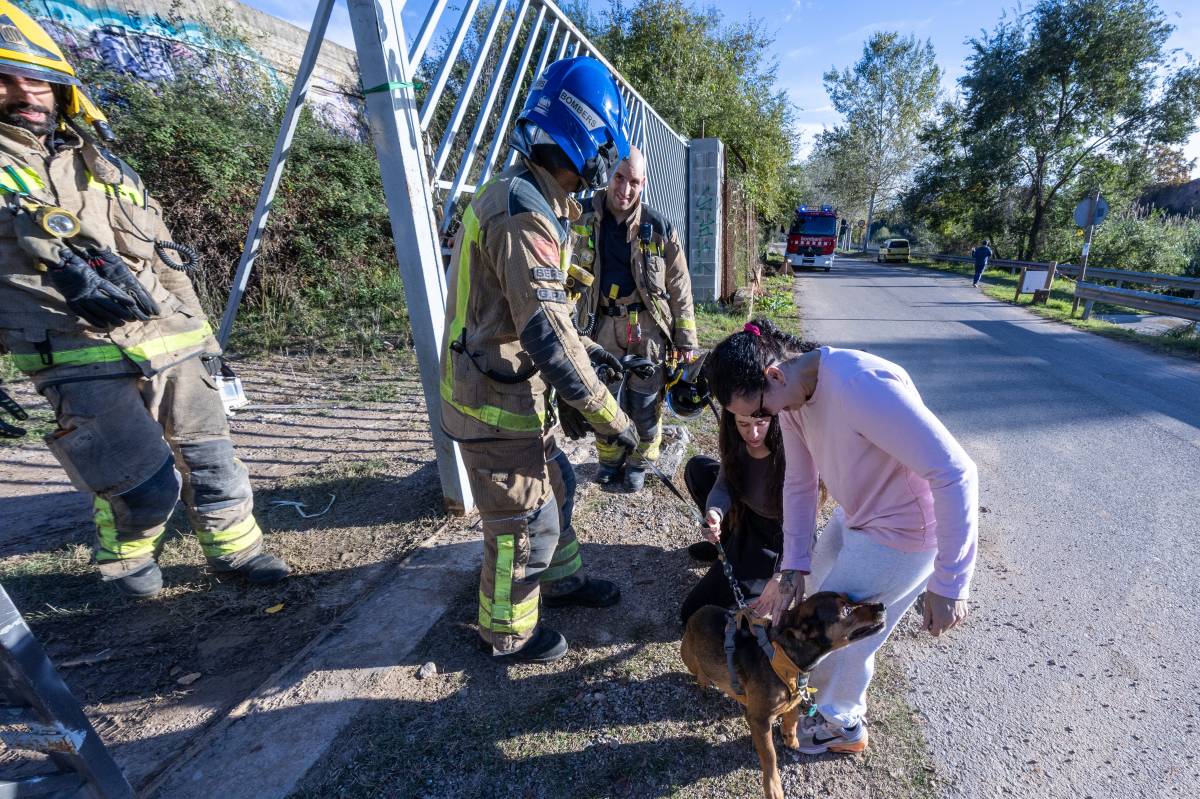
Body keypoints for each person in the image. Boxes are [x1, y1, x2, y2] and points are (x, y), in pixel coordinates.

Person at [0, 1, 289, 598]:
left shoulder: (104, 164)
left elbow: (164, 259)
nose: (23, 92)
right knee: (140, 486)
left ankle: (238, 554)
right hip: (73, 355)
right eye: (4, 78)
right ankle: (127, 564)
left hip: (172, 339)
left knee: (214, 464)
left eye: (35, 78)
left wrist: (208, 341)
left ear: (60, 88)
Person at [439, 56, 640, 664]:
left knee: (558, 481)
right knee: (521, 526)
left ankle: (561, 580)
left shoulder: (534, 197)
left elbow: (543, 313)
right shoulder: (523, 215)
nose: (609, 165)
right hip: (494, 405)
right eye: (606, 146)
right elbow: (547, 334)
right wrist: (613, 419)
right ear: (586, 138)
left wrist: (594, 356)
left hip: (513, 391)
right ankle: (507, 632)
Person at [705, 319, 978, 755]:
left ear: (774, 375)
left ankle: (841, 722)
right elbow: (798, 480)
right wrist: (793, 565)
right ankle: (805, 689)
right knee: (812, 596)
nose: (762, 424)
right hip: (857, 515)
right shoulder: (791, 396)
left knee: (843, 634)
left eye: (758, 412)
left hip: (903, 530)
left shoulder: (861, 386)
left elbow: (955, 471)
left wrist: (950, 582)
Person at [570, 146, 698, 492]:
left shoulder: (659, 227)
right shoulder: (578, 216)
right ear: (609, 175)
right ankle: (610, 462)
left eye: (635, 182)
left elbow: (679, 285)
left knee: (644, 403)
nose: (625, 190)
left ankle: (641, 462)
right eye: (620, 178)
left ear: (644, 185)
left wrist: (686, 340)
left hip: (647, 328)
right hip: (599, 326)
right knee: (604, 398)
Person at [679, 410, 788, 626]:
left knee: (693, 613)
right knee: (698, 469)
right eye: (743, 424)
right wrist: (715, 513)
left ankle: (754, 574)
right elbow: (724, 482)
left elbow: (805, 531)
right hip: (745, 513)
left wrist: (781, 576)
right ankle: (728, 544)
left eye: (761, 423)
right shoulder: (737, 443)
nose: (753, 433)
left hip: (770, 537)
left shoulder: (792, 458)